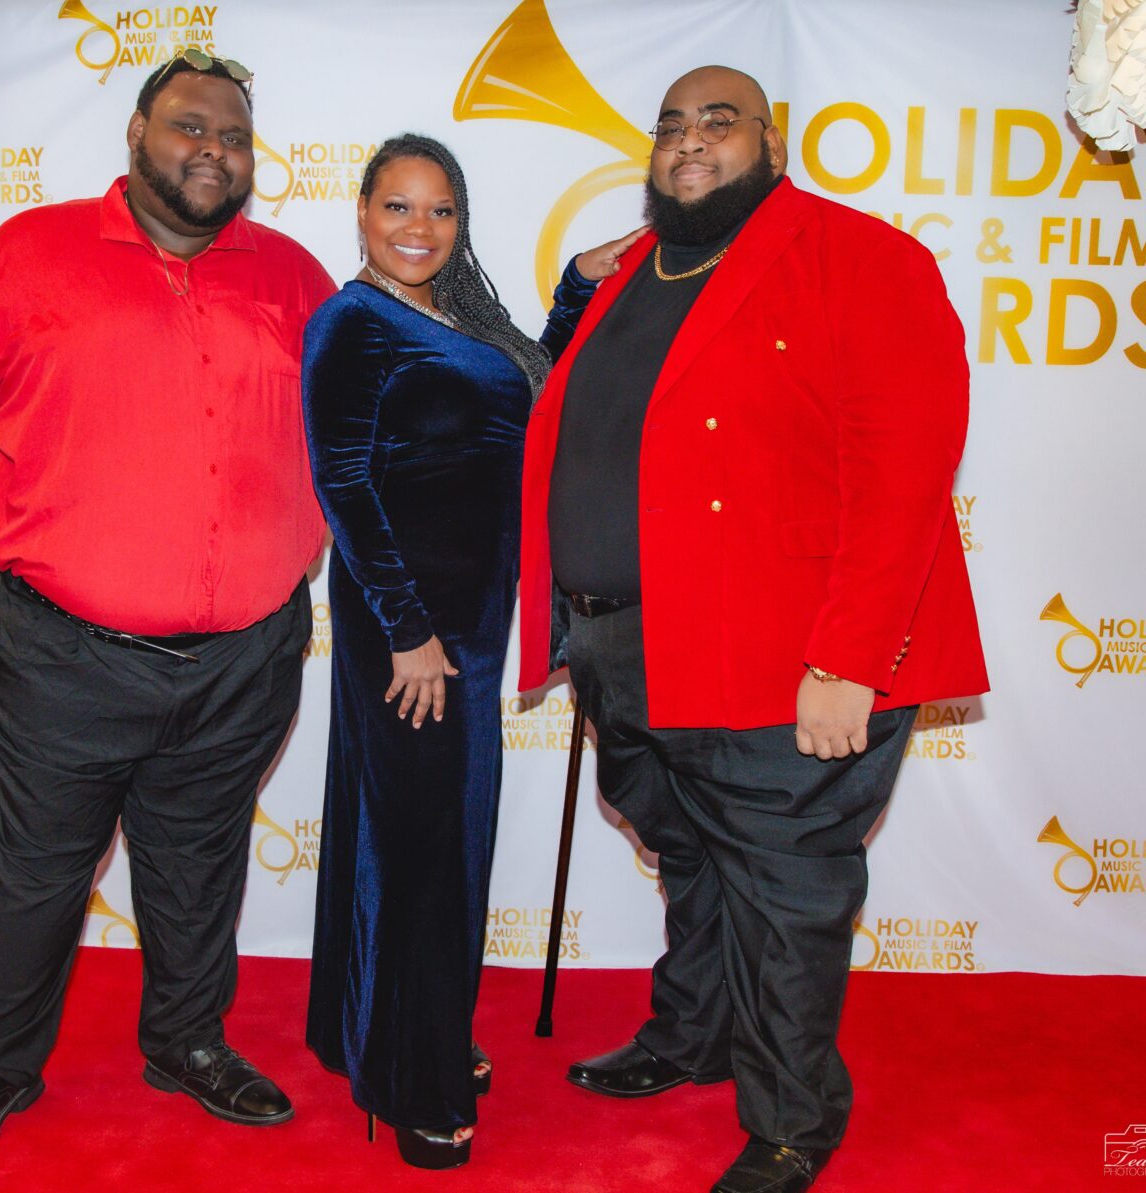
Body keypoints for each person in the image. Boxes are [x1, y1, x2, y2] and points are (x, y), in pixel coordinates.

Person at [517, 67, 989, 1193]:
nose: (689, 142)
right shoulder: (630, 270)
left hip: (788, 659)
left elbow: (903, 473)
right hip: (627, 647)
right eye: (672, 125)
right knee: (693, 858)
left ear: (772, 146)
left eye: (718, 123)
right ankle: (693, 1034)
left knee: (785, 893)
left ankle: (792, 1120)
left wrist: (849, 660)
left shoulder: (864, 258)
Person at [0, 49, 335, 1174]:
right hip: (59, 656)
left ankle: (185, 1038)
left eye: (233, 136)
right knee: (39, 871)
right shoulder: (27, 256)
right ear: (135, 136)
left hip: (243, 656)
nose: (212, 153)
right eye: (189, 128)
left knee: (199, 862)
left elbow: (362, 432)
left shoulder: (293, 277)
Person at [302, 132, 638, 1170]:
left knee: (448, 835)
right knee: (425, 847)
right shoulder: (350, 323)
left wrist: (578, 293)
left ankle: (411, 1025)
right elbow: (344, 485)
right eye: (398, 207)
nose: (419, 229)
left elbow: (524, 396)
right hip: (407, 630)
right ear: (361, 212)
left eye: (440, 211)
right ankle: (416, 1080)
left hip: (474, 629)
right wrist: (406, 630)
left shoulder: (457, 313)